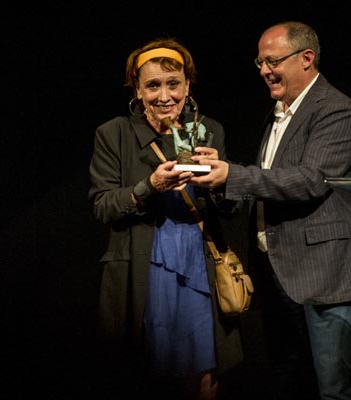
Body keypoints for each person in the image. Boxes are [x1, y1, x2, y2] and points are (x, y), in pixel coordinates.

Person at [190, 21, 351, 400]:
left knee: (335, 388)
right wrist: (217, 178)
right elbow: (266, 183)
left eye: (272, 61)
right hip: (277, 273)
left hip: (323, 275)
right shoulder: (278, 113)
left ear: (306, 58)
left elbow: (309, 181)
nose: (263, 71)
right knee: (289, 380)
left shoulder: (335, 109)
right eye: (259, 62)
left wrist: (232, 175)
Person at [88, 37, 243, 400]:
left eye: (173, 84)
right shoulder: (114, 134)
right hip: (145, 262)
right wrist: (150, 186)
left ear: (187, 86)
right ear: (137, 90)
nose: (164, 96)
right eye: (152, 85)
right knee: (150, 370)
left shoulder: (210, 130)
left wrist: (220, 180)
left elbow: (232, 208)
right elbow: (102, 206)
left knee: (204, 368)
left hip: (197, 259)